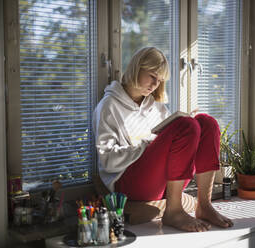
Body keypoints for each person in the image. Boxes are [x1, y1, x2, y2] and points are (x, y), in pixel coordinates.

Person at [93, 47, 233, 232]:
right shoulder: (108, 106)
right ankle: (174, 211)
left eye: (159, 81)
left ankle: (204, 205)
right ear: (137, 68)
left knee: (206, 123)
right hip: (128, 183)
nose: (154, 84)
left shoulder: (156, 108)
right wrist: (148, 144)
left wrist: (183, 131)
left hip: (163, 182)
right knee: (186, 125)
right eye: (152, 76)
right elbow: (108, 161)